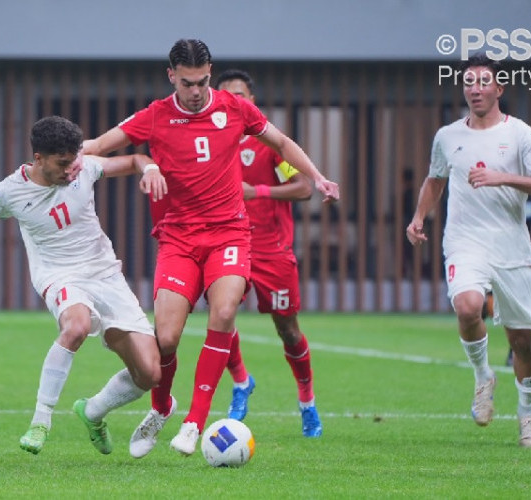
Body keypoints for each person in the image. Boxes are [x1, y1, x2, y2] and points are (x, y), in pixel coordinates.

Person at [82, 39, 339, 457]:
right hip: (179, 238)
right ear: (172, 77)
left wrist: (319, 176)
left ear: (210, 72)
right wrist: (52, 165)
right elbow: (98, 145)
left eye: (203, 81)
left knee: (223, 313)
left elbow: (282, 142)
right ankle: (162, 409)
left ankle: (194, 423)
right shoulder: (155, 115)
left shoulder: (235, 108)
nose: (197, 91)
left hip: (229, 233)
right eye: (187, 83)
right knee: (165, 337)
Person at [0, 116, 168, 456]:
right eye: (62, 164)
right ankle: (41, 421)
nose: (71, 170)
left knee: (149, 374)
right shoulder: (11, 191)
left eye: (74, 161)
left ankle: (93, 411)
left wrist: (151, 170)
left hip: (105, 274)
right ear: (38, 158)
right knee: (76, 327)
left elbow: (132, 160)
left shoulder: (83, 167)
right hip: (59, 275)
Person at [406, 54, 531, 448]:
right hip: (464, 240)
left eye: (484, 81)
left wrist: (503, 177)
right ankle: (483, 375)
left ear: (499, 89)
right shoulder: (448, 136)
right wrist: (418, 217)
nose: (476, 88)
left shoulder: (520, 134)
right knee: (468, 306)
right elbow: (436, 180)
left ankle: (528, 415)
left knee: (521, 339)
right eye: (469, 81)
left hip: (510, 243)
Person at [215, 68, 322, 437]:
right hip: (230, 245)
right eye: (228, 96)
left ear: (252, 101)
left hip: (272, 251)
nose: (235, 102)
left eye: (241, 96)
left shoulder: (271, 144)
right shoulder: (212, 142)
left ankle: (307, 401)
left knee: (288, 330)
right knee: (221, 316)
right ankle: (241, 382)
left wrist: (257, 191)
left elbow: (304, 188)